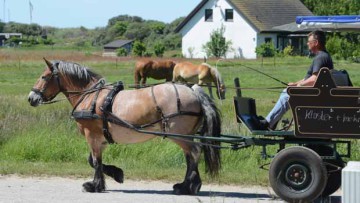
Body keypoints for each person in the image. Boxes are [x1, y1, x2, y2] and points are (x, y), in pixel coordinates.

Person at [260, 30, 334, 130]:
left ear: (316, 43)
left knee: (287, 94)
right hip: (318, 94)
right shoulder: (325, 56)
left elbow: (314, 79)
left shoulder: (320, 58)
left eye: (309, 41)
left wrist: (300, 86)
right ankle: (272, 122)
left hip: (315, 96)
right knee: (287, 91)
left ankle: (268, 122)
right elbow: (309, 78)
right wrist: (295, 84)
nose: (307, 43)